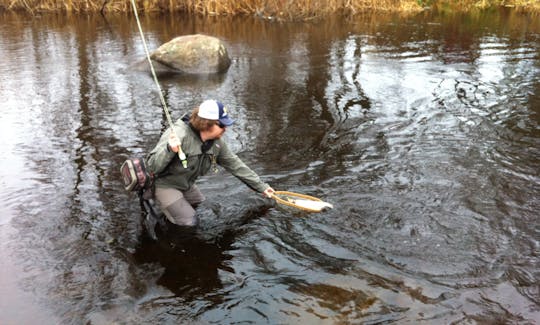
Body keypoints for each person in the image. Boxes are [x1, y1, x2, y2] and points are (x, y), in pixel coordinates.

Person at [146, 99, 275, 227]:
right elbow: (151, 167)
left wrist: (262, 187)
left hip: (186, 184)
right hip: (164, 185)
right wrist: (169, 150)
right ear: (206, 124)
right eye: (222, 125)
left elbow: (236, 165)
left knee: (200, 204)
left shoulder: (217, 143)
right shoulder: (179, 134)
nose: (226, 129)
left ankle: (171, 213)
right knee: (189, 221)